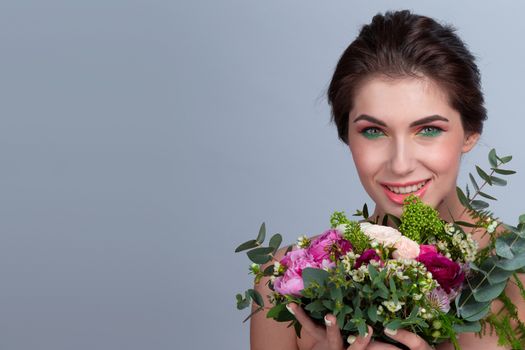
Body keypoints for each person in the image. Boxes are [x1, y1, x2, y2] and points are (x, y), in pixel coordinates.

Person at [250, 10, 525, 350]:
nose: (400, 164)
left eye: (428, 130)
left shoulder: (517, 274)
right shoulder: (286, 281)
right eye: (374, 131)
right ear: (347, 136)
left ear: (470, 132)